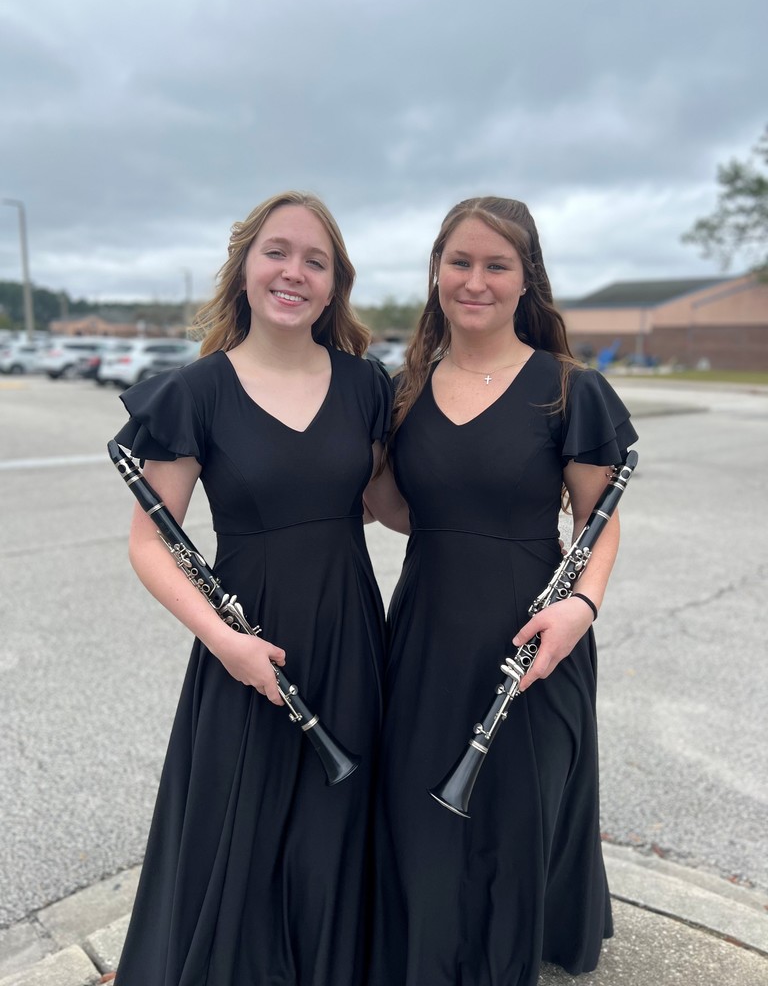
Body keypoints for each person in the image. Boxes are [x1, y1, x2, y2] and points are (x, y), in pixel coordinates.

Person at [108, 191, 392, 986]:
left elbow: (385, 503)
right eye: (277, 252)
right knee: (244, 828)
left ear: (335, 285)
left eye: (316, 260)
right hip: (244, 642)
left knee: (333, 832)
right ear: (244, 268)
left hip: (349, 634)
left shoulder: (367, 385)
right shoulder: (193, 393)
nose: (293, 272)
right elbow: (149, 545)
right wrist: (224, 642)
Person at [364, 196, 638, 986]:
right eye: (460, 262)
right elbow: (398, 515)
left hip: (535, 631)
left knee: (517, 816)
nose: (474, 280)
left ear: (526, 281)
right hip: (426, 628)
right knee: (422, 811)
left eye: (496, 265)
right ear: (436, 273)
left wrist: (580, 610)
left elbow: (599, 524)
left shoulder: (568, 387)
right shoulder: (403, 386)